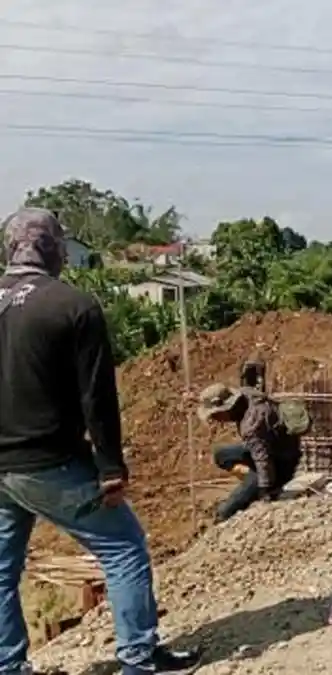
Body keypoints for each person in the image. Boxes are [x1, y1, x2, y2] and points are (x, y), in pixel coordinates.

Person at [0, 208, 200, 674]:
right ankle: (139, 657)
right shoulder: (73, 305)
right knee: (123, 547)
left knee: (2, 570)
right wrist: (111, 467)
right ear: (53, 248)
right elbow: (98, 397)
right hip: (50, 461)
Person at [197, 383, 303, 523]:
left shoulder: (251, 426)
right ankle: (251, 478)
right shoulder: (247, 395)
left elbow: (263, 459)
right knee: (221, 455)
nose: (216, 420)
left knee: (225, 511)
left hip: (279, 465)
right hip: (273, 448)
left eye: (216, 416)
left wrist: (265, 491)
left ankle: (254, 482)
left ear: (224, 409)